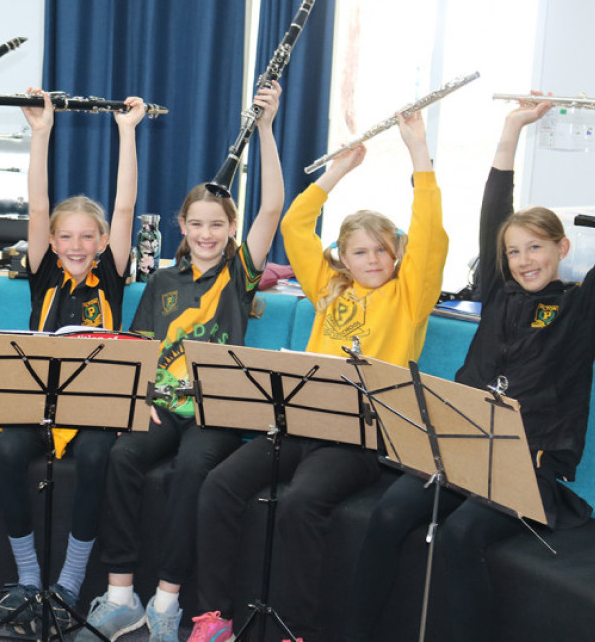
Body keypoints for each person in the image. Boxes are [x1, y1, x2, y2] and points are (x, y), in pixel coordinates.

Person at [341, 96, 594, 642]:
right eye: (515, 251)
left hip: (528, 466)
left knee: (457, 537)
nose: (525, 259)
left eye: (537, 248)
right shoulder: (500, 292)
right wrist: (510, 130)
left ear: (562, 248)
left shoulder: (578, 308)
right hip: (456, 446)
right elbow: (494, 214)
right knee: (388, 515)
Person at [189, 110, 447, 642]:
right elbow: (295, 225)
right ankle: (213, 617)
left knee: (302, 504)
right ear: (343, 260)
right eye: (360, 251)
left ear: (397, 256)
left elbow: (430, 233)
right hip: (298, 423)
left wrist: (417, 151)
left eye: (382, 250)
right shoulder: (329, 288)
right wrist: (337, 173)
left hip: (359, 439)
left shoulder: (409, 296)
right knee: (219, 485)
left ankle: (294, 631)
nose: (372, 259)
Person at [76, 83, 285, 642]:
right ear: (182, 227)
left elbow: (272, 205)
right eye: (196, 224)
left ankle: (166, 601)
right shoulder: (162, 281)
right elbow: (141, 348)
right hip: (164, 403)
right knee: (122, 456)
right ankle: (121, 595)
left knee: (193, 470)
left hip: (216, 410)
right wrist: (138, 400)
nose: (207, 233)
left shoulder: (239, 273)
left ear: (231, 230)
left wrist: (265, 128)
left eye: (217, 225)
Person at [0, 90, 147, 634]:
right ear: (52, 242)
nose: (76, 245)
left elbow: (124, 206)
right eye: (66, 237)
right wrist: (40, 133)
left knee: (100, 455)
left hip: (94, 405)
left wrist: (126, 133)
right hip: (38, 400)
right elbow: (37, 206)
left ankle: (71, 581)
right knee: (6, 449)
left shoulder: (110, 272)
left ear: (103, 242)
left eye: (88, 236)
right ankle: (29, 575)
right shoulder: (44, 271)